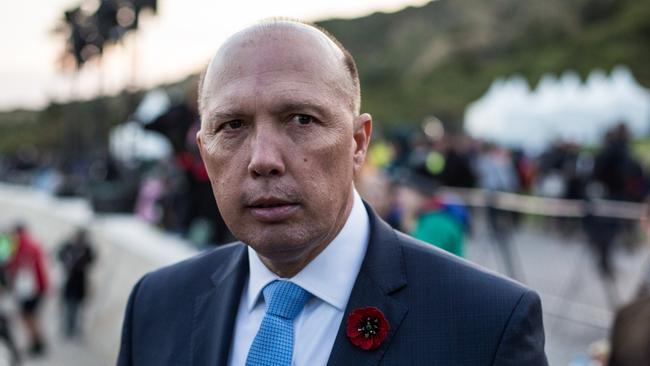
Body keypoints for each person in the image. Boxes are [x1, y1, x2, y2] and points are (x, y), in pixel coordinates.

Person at [118, 19, 547, 365]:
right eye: (232, 126)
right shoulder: (156, 306)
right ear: (203, 152)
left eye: (301, 120)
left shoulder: (486, 324)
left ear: (358, 143)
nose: (263, 159)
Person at [7, 224, 48, 356]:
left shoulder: (24, 244)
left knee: (29, 315)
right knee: (29, 315)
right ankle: (36, 342)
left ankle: (37, 343)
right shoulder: (30, 242)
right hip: (36, 286)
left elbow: (16, 262)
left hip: (32, 288)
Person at [57, 228, 95, 338]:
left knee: (78, 307)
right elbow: (60, 255)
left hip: (80, 282)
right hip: (68, 281)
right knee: (68, 305)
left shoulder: (87, 249)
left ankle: (75, 328)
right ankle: (67, 327)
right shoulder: (68, 247)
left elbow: (91, 260)